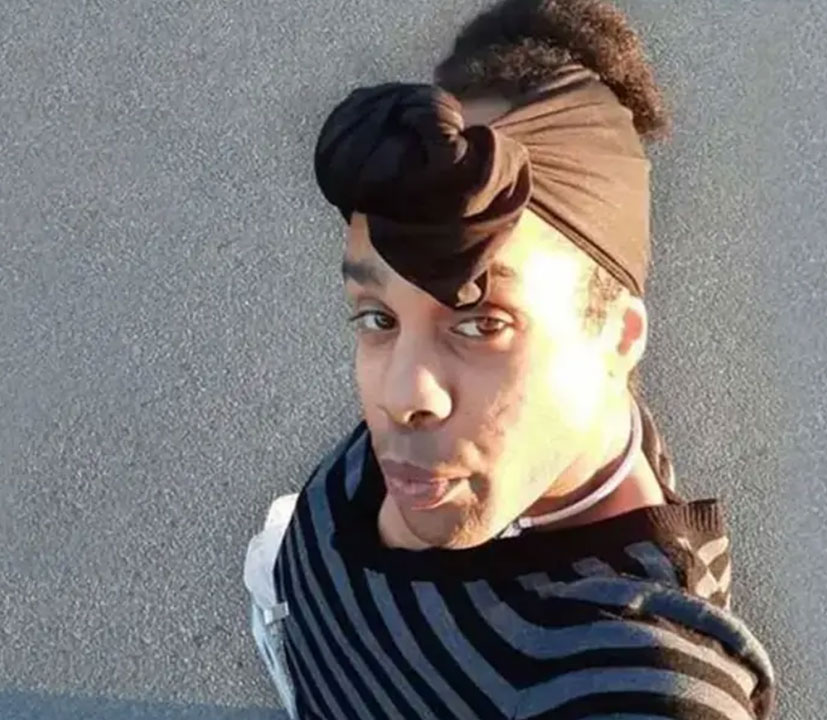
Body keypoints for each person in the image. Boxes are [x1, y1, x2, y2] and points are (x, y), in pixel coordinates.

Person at [244, 0, 777, 717]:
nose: (401, 395)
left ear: (617, 337)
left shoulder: (633, 681)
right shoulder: (486, 450)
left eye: (481, 323)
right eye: (379, 318)